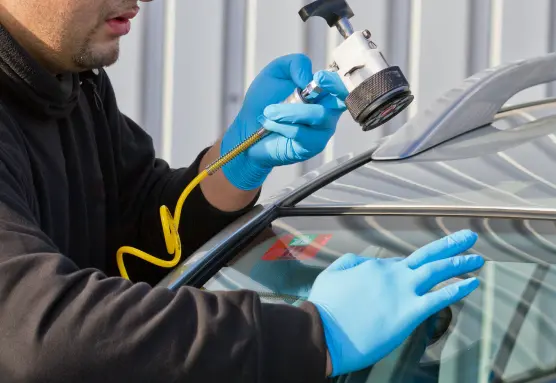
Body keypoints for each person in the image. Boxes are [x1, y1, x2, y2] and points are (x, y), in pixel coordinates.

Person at [0, 0, 486, 381]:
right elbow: (37, 335)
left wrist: (238, 159)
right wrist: (315, 336)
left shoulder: (74, 84)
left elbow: (139, 239)